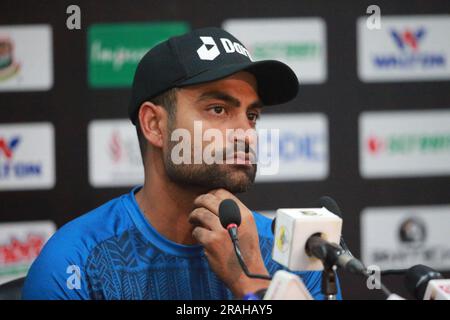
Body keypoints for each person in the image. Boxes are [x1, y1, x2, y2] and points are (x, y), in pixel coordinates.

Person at [22, 27, 341, 300]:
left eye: (252, 116)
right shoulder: (76, 260)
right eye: (218, 110)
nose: (247, 134)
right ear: (154, 125)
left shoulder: (294, 255)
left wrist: (252, 281)